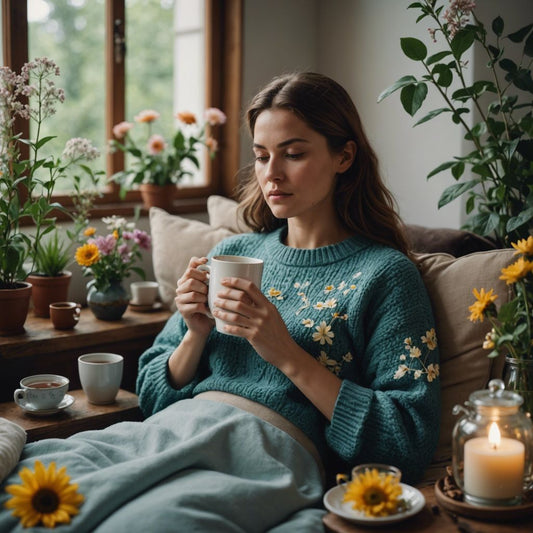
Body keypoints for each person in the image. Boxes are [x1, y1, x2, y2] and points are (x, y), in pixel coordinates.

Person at [0, 72, 440, 532]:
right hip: (171, 431)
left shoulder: (385, 275)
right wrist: (194, 332)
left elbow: (403, 441)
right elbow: (151, 393)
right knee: (28, 495)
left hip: (266, 455)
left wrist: (284, 352)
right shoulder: (235, 254)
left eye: (293, 154)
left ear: (344, 155)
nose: (272, 173)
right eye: (262, 156)